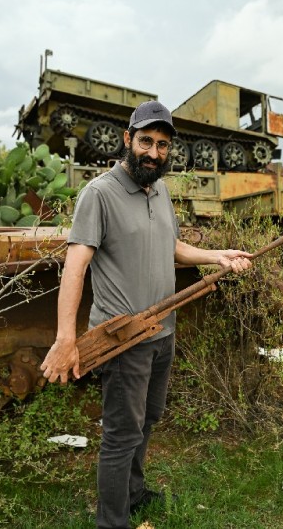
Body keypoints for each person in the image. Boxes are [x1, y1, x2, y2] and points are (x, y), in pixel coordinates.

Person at [39, 100, 253, 529]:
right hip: (124, 339)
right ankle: (112, 521)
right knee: (121, 436)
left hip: (162, 333)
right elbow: (76, 266)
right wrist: (66, 339)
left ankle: (133, 494)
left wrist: (217, 256)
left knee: (148, 419)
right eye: (146, 142)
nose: (154, 153)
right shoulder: (99, 194)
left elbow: (172, 247)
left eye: (162, 145)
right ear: (127, 140)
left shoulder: (161, 190)